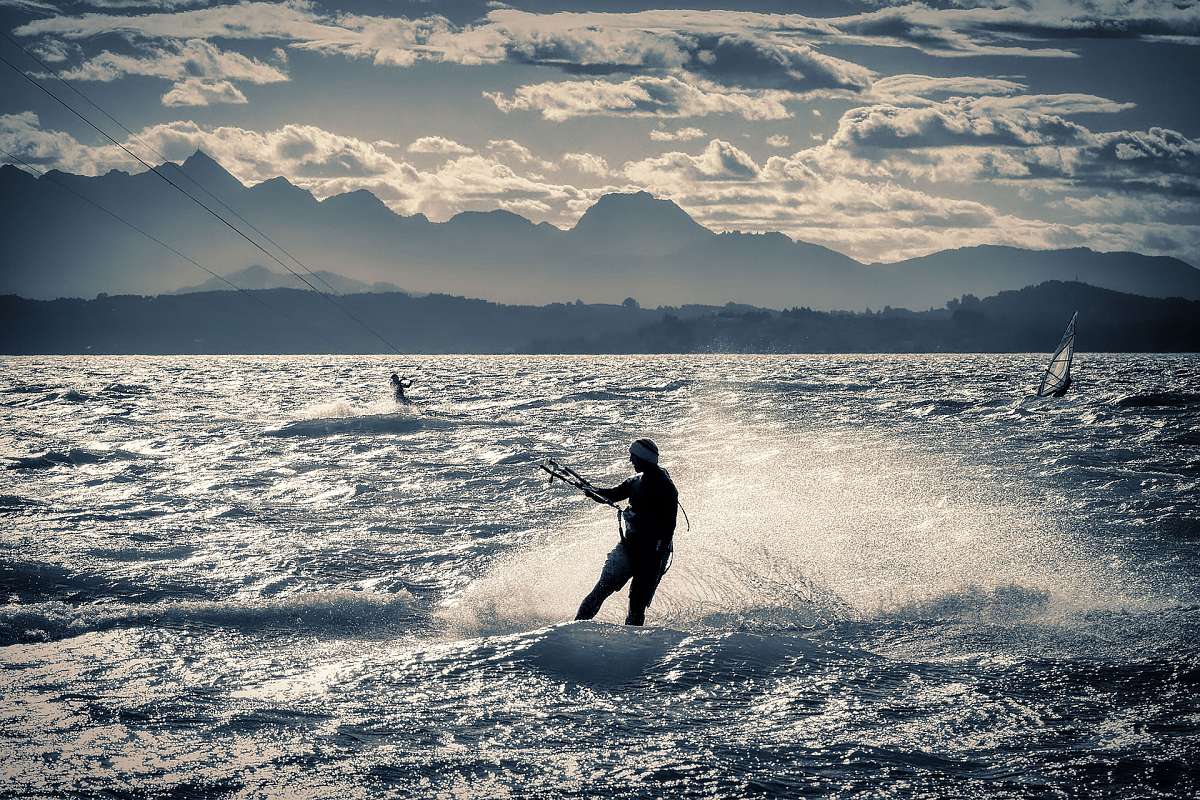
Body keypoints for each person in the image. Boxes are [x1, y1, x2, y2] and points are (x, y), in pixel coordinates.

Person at [575, 438, 678, 626]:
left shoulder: (666, 487)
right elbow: (613, 494)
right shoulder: (635, 481)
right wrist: (591, 491)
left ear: (643, 458)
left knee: (637, 605)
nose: (631, 461)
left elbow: (669, 526)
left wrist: (656, 553)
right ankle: (574, 628)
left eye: (633, 457)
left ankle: (632, 646)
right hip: (629, 548)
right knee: (601, 590)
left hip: (653, 555)